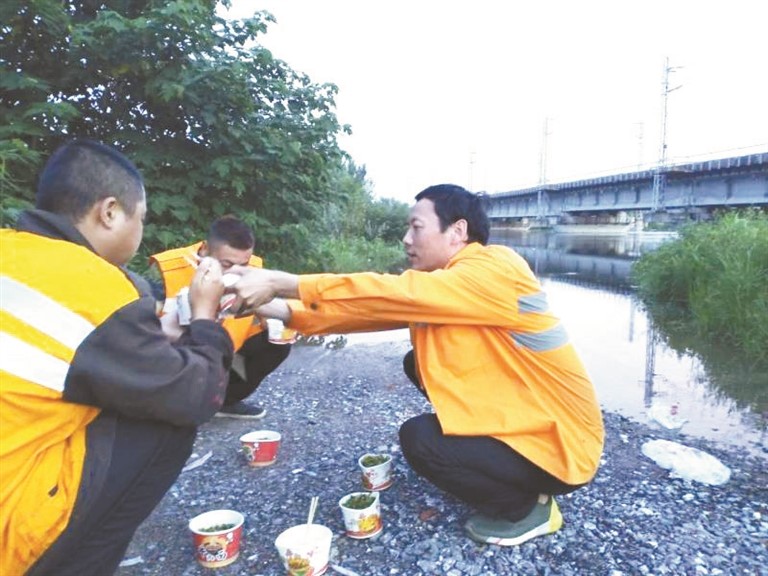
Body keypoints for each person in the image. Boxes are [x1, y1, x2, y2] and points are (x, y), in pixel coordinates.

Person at [230, 184, 604, 546]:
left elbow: (397, 291)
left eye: (417, 227)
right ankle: (494, 462)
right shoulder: (446, 286)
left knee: (420, 439)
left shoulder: (495, 268)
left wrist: (283, 281)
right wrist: (273, 307)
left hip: (564, 443)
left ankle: (527, 510)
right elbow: (365, 312)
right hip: (534, 423)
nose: (406, 239)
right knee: (418, 363)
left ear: (458, 231)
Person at [0, 139, 234, 575]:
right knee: (166, 420)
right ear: (109, 212)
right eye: (140, 217)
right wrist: (205, 317)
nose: (141, 229)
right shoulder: (92, 284)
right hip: (8, 530)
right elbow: (196, 396)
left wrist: (153, 333)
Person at [149, 215, 292, 419]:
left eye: (243, 264)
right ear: (205, 250)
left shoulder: (252, 271)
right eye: (226, 264)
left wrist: (271, 320)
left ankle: (224, 401)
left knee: (276, 343)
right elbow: (140, 332)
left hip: (225, 350)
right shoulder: (167, 270)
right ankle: (168, 404)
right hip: (175, 354)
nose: (235, 272)